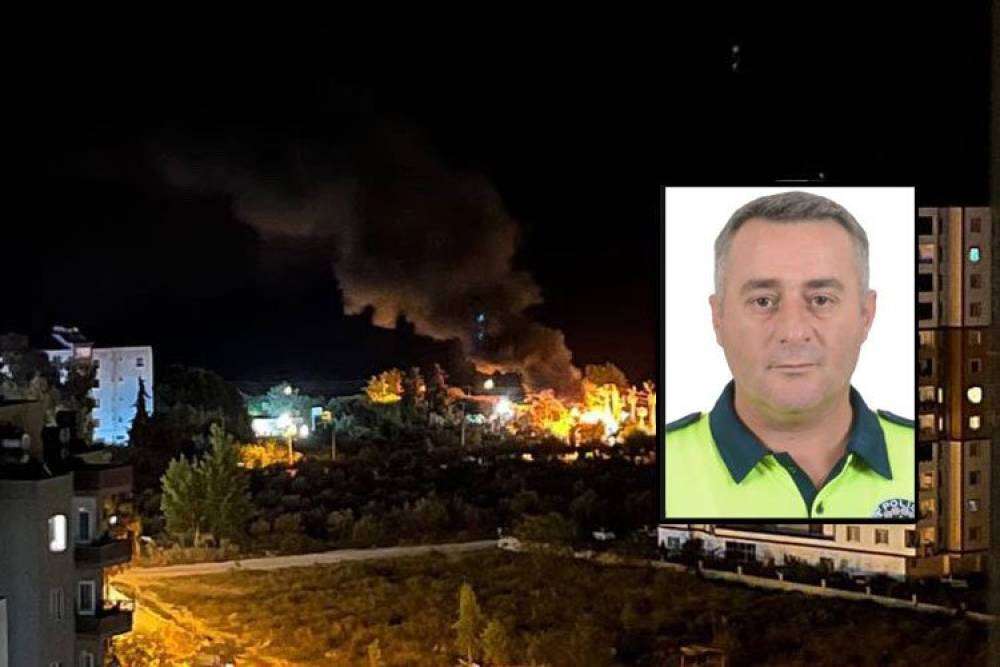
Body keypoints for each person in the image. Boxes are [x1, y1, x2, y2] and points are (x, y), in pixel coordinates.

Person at [665, 191, 914, 519]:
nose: (794, 331)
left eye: (821, 299)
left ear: (866, 315)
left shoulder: (931, 456)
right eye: (763, 301)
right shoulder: (665, 463)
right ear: (718, 318)